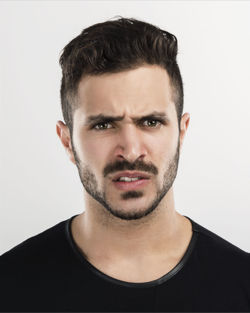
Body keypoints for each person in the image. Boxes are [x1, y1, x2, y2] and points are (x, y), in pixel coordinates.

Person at [0, 16, 249, 312]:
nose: (130, 150)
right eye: (104, 125)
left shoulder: (241, 284)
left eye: (151, 122)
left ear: (182, 132)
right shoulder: (10, 286)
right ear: (67, 141)